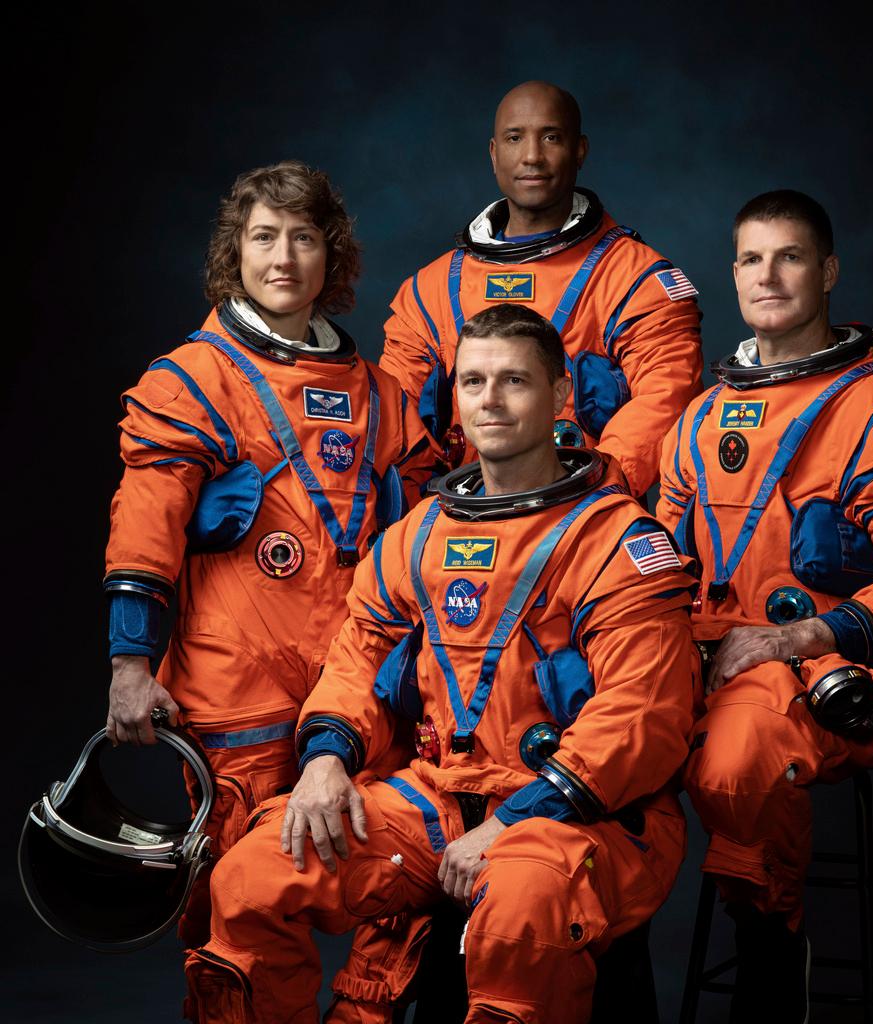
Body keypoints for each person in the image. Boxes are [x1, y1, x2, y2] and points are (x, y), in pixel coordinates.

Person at [184, 304, 699, 1024]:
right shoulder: (418, 535)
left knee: (518, 911)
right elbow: (358, 657)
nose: (489, 400)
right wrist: (328, 757)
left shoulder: (616, 541)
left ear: (558, 398)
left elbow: (644, 717)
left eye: (514, 381)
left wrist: (517, 816)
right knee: (250, 875)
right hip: (438, 798)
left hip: (583, 814)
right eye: (474, 381)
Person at [103, 161, 435, 949]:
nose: (283, 257)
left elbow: (427, 548)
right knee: (238, 911)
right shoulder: (192, 380)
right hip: (238, 691)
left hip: (363, 688)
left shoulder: (382, 397)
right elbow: (144, 525)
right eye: (263, 238)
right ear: (236, 253)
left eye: (303, 237)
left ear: (333, 255)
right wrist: (128, 663)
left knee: (390, 891)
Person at [657, 190, 873, 1020]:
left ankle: (769, 945)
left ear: (827, 270)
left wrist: (800, 634)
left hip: (839, 664)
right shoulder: (699, 420)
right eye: (753, 259)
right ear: (733, 276)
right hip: (711, 657)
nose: (769, 275)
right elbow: (657, 567)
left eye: (790, 256)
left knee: (737, 754)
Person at [379, 79, 703, 496]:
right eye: (515, 138)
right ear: (494, 154)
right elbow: (394, 417)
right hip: (458, 522)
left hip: (582, 520)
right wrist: (426, 514)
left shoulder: (634, 278)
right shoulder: (431, 290)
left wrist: (589, 498)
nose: (532, 156)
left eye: (551, 137)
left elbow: (665, 398)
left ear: (579, 150)